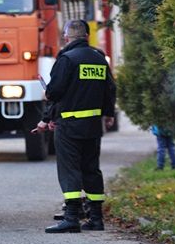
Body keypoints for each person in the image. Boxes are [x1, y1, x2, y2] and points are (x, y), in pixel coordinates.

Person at [34, 19, 116, 233]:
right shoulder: (99, 59)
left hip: (69, 124)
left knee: (70, 169)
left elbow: (56, 93)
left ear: (66, 37)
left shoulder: (67, 59)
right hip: (93, 126)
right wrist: (108, 114)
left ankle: (71, 218)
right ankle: (96, 218)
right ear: (87, 36)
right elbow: (110, 89)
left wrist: (47, 96)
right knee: (91, 169)